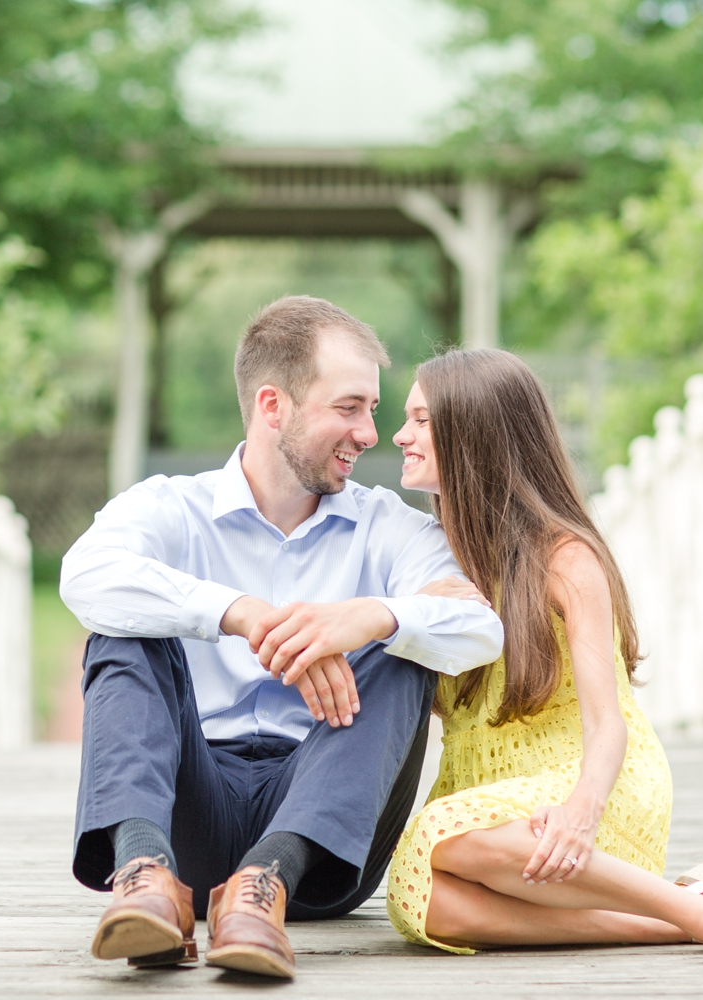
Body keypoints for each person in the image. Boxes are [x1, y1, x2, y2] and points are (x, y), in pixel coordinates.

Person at [59, 296, 504, 979]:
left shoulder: (393, 528)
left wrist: (369, 617)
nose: (371, 433)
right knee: (124, 630)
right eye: (350, 407)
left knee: (404, 642)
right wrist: (239, 612)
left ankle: (262, 884)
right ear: (274, 406)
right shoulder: (170, 508)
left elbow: (479, 629)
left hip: (322, 850)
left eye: (373, 410)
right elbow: (84, 576)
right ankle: (144, 877)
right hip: (191, 812)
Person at [384, 348, 703, 961]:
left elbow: (606, 720)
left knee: (433, 839)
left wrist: (580, 811)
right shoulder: (429, 564)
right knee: (413, 899)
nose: (401, 435)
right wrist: (408, 619)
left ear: (474, 431)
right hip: (487, 815)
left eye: (422, 419)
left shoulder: (564, 558)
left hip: (592, 792)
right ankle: (690, 913)